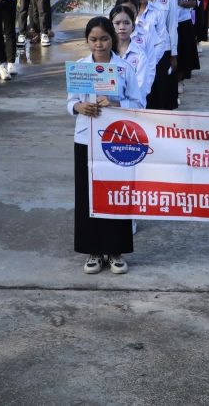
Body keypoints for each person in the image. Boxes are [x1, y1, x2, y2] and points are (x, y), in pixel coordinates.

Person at [67, 16, 143, 274]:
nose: (98, 45)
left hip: (116, 140)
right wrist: (79, 106)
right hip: (86, 138)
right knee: (87, 195)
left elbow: (139, 103)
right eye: (93, 39)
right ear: (87, 41)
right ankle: (94, 251)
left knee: (116, 192)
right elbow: (70, 102)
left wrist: (118, 105)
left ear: (112, 39)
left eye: (104, 39)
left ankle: (115, 251)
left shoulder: (124, 69)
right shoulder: (80, 68)